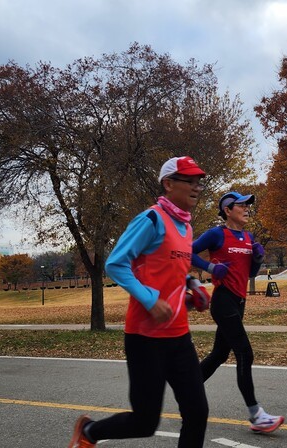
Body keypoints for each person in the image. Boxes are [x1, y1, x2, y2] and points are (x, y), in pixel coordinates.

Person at [69, 156, 210, 448]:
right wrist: (150, 299)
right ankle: (90, 431)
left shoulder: (186, 227)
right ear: (169, 184)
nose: (197, 187)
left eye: (199, 182)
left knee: (197, 411)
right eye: (190, 181)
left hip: (179, 336)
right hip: (146, 338)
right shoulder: (151, 219)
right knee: (145, 422)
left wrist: (194, 285)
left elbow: (175, 271)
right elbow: (117, 264)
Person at [191, 191, 285, 434]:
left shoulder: (248, 237)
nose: (246, 209)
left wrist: (257, 258)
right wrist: (210, 267)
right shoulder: (216, 234)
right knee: (245, 353)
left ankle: (187, 389)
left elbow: (250, 274)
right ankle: (256, 415)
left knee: (219, 355)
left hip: (239, 302)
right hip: (223, 302)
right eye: (241, 205)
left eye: (247, 205)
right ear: (228, 210)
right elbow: (187, 252)